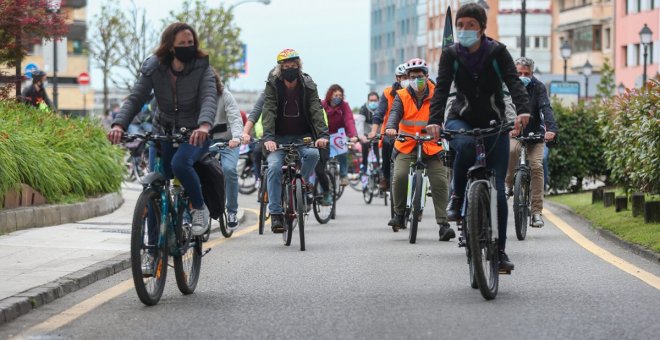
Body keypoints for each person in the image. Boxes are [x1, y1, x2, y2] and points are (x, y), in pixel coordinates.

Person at [425, 3, 531, 271]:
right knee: (465, 146)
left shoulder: (497, 52)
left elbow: (514, 83)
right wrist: (435, 121)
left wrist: (523, 111)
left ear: (482, 28)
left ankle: (500, 253)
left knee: (498, 193)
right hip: (461, 116)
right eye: (460, 25)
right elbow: (441, 89)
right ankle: (458, 196)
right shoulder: (451, 54)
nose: (464, 30)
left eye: (470, 25)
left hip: (495, 120)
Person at [108, 22, 218, 237]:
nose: (188, 46)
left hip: (195, 132)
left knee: (180, 163)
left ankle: (198, 208)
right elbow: (135, 98)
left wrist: (204, 125)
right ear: (170, 46)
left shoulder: (202, 68)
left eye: (191, 42)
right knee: (155, 186)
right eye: (182, 43)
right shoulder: (154, 67)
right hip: (163, 131)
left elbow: (208, 98)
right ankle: (151, 250)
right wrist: (119, 124)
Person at [384, 58, 453, 240]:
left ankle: (443, 224)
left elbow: (446, 114)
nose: (416, 80)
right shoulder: (402, 95)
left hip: (431, 144)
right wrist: (391, 128)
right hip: (407, 144)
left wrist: (447, 129)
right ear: (407, 77)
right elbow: (394, 114)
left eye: (420, 76)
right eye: (412, 77)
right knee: (399, 176)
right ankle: (399, 215)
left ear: (427, 76)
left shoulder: (438, 94)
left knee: (440, 181)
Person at [261, 48, 329, 233]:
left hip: (303, 135)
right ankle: (275, 214)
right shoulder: (273, 84)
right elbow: (268, 110)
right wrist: (268, 137)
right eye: (286, 66)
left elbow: (316, 109)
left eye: (293, 65)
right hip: (278, 137)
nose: (290, 69)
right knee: (274, 167)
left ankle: (303, 183)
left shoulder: (307, 83)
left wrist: (322, 135)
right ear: (280, 68)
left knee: (313, 154)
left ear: (298, 66)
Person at [504, 57, 558, 228]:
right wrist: (509, 126)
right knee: (511, 151)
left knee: (536, 165)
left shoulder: (539, 87)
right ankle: (508, 184)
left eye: (526, 73)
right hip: (515, 132)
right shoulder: (508, 86)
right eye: (519, 73)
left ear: (532, 73)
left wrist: (551, 129)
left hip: (535, 135)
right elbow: (504, 108)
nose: (522, 76)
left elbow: (545, 108)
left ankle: (536, 212)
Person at [211, 71, 244, 230]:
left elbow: (235, 118)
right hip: (205, 142)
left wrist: (237, 137)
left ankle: (231, 211)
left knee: (229, 170)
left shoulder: (225, 95)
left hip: (228, 142)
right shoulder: (194, 97)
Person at [370, 63, 409, 191]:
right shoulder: (388, 93)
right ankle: (386, 177)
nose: (406, 80)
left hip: (410, 132)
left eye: (407, 76)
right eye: (402, 77)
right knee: (387, 143)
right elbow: (379, 113)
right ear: (397, 78)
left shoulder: (415, 93)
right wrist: (373, 131)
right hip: (390, 131)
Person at [321, 84, 359, 186]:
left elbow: (349, 120)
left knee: (342, 150)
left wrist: (353, 135)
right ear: (329, 95)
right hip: (325, 135)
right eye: (335, 95)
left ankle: (343, 175)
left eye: (340, 95)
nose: (338, 97)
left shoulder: (344, 106)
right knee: (321, 158)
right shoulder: (322, 105)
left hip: (339, 135)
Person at [356, 92, 381, 172]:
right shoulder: (363, 109)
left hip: (378, 134)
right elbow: (359, 123)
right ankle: (364, 164)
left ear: (378, 101)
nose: (373, 102)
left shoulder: (382, 108)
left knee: (378, 153)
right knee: (365, 145)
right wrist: (361, 136)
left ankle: (378, 168)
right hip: (366, 134)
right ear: (368, 100)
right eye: (371, 100)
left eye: (375, 100)